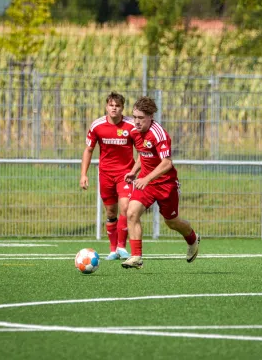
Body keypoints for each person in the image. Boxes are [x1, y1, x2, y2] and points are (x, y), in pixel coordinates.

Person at [121, 96, 200, 269]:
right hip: (146, 184)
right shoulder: (134, 131)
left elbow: (167, 163)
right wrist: (134, 172)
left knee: (171, 222)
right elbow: (143, 153)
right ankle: (136, 256)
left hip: (166, 184)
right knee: (132, 212)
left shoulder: (159, 134)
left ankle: (193, 239)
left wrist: (146, 178)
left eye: (141, 118)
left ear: (150, 117)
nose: (136, 121)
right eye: (134, 117)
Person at [80, 92, 134, 260]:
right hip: (105, 175)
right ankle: (112, 250)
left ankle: (121, 247)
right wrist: (84, 174)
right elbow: (88, 150)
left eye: (117, 106)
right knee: (111, 213)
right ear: (106, 107)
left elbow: (142, 149)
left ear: (122, 108)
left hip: (125, 174)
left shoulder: (131, 126)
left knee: (125, 207)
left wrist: (137, 171)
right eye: (111, 105)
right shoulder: (97, 126)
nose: (114, 108)